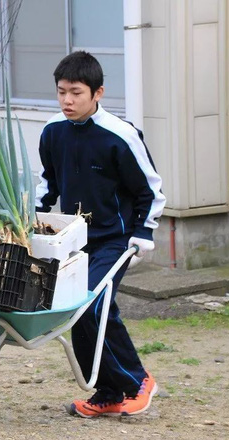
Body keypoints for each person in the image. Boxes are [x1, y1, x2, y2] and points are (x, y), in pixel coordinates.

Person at [35, 51, 166, 418]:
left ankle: (138, 381)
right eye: (61, 92)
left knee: (93, 305)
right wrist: (33, 219)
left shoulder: (120, 135)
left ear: (98, 93)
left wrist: (143, 231)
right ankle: (108, 393)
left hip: (115, 240)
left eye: (76, 92)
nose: (67, 100)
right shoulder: (52, 132)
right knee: (74, 312)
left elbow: (151, 190)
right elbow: (48, 185)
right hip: (74, 240)